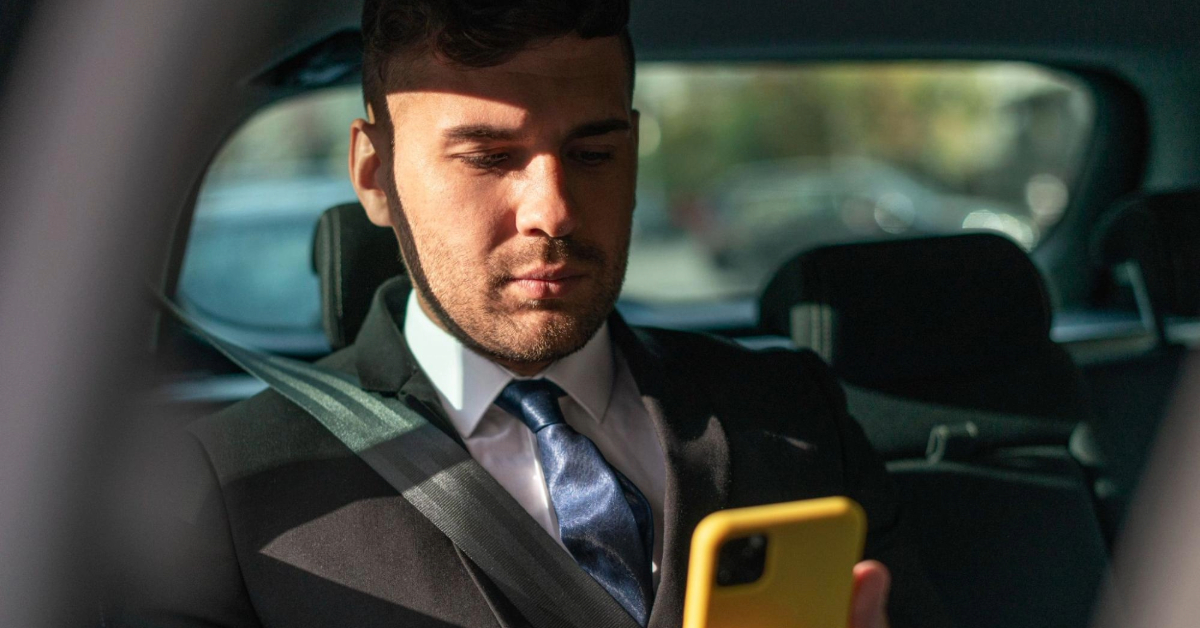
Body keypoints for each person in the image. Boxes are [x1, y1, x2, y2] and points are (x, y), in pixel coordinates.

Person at [118, 1, 949, 627]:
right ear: (375, 176)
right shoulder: (231, 487)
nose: (552, 209)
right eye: (489, 158)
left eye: (592, 153)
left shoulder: (792, 411)